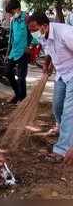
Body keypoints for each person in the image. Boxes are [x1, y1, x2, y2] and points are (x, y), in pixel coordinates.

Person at [28, 12, 73, 165]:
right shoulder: (42, 35)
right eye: (30, 29)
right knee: (57, 106)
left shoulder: (66, 33)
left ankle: (61, 149)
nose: (32, 32)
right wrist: (48, 63)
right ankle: (65, 133)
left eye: (34, 28)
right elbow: (49, 50)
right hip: (61, 74)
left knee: (69, 111)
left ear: (45, 26)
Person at [5, 0, 34, 104]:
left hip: (24, 52)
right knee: (7, 72)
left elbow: (35, 35)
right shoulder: (13, 20)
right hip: (13, 51)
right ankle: (17, 94)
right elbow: (11, 39)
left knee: (21, 77)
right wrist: (7, 53)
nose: (11, 14)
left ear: (18, 9)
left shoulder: (27, 19)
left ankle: (23, 100)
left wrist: (30, 46)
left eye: (12, 12)